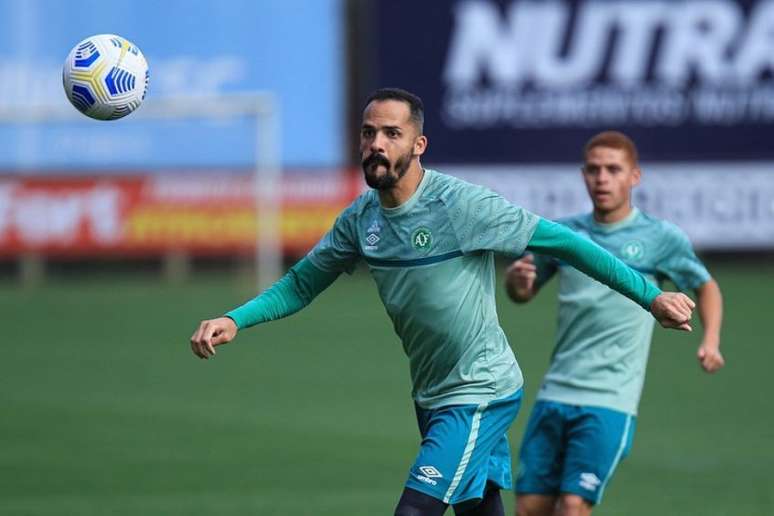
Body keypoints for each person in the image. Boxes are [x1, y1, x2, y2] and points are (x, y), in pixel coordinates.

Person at [190, 90, 696, 516]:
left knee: (415, 509)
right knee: (478, 510)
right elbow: (301, 284)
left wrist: (651, 297)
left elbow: (566, 243)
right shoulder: (360, 220)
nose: (376, 145)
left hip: (481, 389)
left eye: (391, 134)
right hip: (432, 394)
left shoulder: (462, 206)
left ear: (419, 144)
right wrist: (236, 319)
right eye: (369, 133)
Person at [506, 131, 724, 516]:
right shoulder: (566, 234)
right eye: (593, 170)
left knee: (573, 505)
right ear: (582, 175)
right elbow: (522, 292)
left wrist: (711, 339)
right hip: (555, 391)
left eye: (612, 169)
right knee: (529, 507)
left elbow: (706, 287)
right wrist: (517, 282)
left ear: (634, 177)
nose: (602, 178)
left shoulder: (660, 237)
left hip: (610, 399)